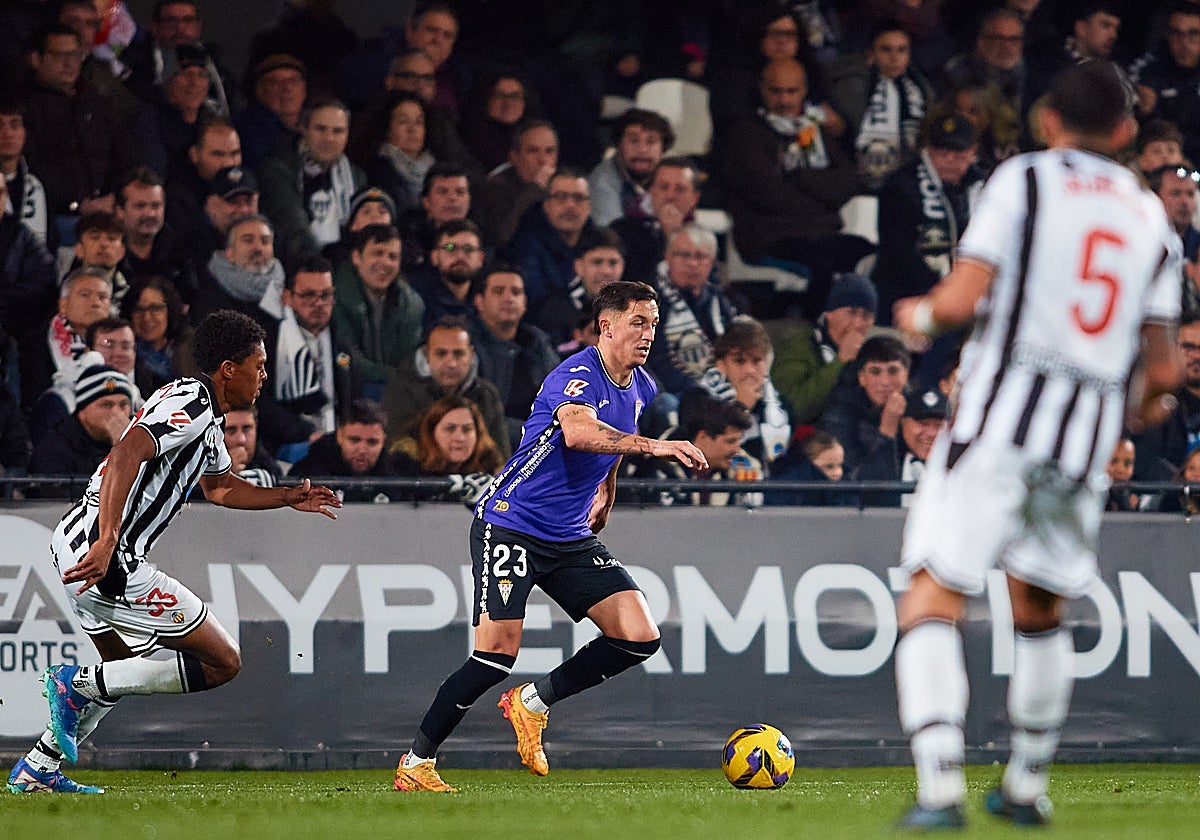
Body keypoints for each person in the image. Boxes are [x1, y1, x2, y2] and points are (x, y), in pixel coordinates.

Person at [889, 60, 1182, 829]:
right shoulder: (1152, 216)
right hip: (1081, 446)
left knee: (930, 593)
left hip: (997, 427)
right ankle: (1024, 784)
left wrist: (916, 315)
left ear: (1049, 121)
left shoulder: (1022, 181)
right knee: (1041, 608)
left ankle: (940, 789)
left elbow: (961, 299)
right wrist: (1138, 407)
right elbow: (1163, 369)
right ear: (1125, 132)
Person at [8, 310, 341, 795]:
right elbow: (127, 453)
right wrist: (107, 540)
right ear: (229, 369)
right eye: (259, 365)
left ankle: (38, 768)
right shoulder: (193, 400)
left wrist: (286, 496)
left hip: (77, 544)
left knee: (120, 673)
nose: (264, 376)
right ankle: (72, 683)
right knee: (222, 661)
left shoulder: (203, 418)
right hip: (108, 556)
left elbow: (222, 488)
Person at [393, 280, 707, 793]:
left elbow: (610, 443)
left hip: (568, 534)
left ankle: (532, 703)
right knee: (494, 657)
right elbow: (580, 433)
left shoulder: (641, 384)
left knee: (639, 634)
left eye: (653, 324)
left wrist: (607, 491)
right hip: (511, 522)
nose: (649, 333)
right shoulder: (578, 374)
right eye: (638, 323)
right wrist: (657, 447)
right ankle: (416, 762)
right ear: (606, 326)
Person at [722, 57, 872, 317]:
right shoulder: (746, 134)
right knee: (823, 265)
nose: (784, 100)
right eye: (776, 91)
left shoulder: (815, 131)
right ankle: (814, 335)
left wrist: (800, 176)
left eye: (791, 91)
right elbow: (767, 194)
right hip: (771, 237)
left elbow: (847, 182)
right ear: (762, 89)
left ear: (803, 91)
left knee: (866, 253)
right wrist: (824, 201)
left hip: (821, 235)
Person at [258, 98, 367, 272]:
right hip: (299, 269)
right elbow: (292, 228)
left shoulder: (356, 177)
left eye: (338, 131)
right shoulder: (279, 171)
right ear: (303, 128)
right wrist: (322, 268)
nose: (329, 138)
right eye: (321, 129)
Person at [380, 314, 508, 459]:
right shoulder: (401, 392)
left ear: (471, 354)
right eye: (441, 354)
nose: (451, 364)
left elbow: (500, 457)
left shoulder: (486, 395)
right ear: (427, 355)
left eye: (458, 354)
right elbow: (396, 451)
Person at [646, 225, 740, 401]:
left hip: (718, 389)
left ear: (711, 262)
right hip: (671, 392)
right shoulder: (649, 299)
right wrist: (699, 393)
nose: (692, 263)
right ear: (667, 257)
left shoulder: (721, 302)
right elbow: (655, 359)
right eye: (683, 255)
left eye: (700, 256)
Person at [468, 264, 559, 446]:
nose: (509, 298)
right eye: (498, 291)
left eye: (516, 292)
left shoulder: (537, 342)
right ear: (479, 302)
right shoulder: (465, 342)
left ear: (524, 302)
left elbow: (560, 395)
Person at [773, 272, 877, 426]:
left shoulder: (870, 354)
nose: (857, 323)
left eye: (866, 316)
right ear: (830, 313)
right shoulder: (798, 346)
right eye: (851, 312)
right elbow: (794, 408)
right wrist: (840, 361)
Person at [331, 223, 425, 389]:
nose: (385, 263)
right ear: (356, 257)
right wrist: (393, 375)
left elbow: (410, 361)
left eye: (393, 257)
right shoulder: (335, 297)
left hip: (399, 390)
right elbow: (346, 358)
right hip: (350, 387)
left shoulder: (412, 305)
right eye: (377, 253)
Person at [625, 393, 760, 507]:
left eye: (738, 441)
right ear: (703, 438)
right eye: (730, 441)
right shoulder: (659, 470)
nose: (737, 449)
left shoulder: (736, 469)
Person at [29, 363, 134, 490]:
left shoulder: (142, 436)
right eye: (106, 405)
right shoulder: (55, 446)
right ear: (82, 411)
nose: (117, 413)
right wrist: (122, 453)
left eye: (123, 405)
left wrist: (130, 449)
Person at [818, 334, 911, 478]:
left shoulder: (917, 411)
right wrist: (887, 430)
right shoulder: (838, 417)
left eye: (893, 371)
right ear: (861, 377)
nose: (885, 381)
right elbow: (859, 485)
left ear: (906, 375)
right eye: (875, 372)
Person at [609, 156, 703, 286]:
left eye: (680, 189)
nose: (670, 196)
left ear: (694, 198)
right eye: (664, 187)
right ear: (651, 191)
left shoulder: (703, 240)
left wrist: (674, 236)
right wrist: (668, 238)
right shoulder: (622, 232)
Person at [291, 398, 404, 503]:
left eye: (372, 442)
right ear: (339, 436)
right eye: (354, 440)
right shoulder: (307, 476)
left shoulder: (402, 478)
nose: (362, 450)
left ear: (383, 440)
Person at [1128, 4, 1200, 165]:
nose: (1184, 43)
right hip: (1160, 167)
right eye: (1177, 34)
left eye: (1193, 34)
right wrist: (1145, 112)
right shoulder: (1147, 70)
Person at [856, 386, 949, 507]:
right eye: (922, 424)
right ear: (903, 423)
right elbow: (873, 499)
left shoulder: (961, 463)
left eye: (939, 425)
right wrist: (887, 434)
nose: (931, 433)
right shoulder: (887, 457)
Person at [192, 214, 286, 325]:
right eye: (248, 240)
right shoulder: (209, 296)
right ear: (230, 253)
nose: (258, 248)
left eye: (265, 241)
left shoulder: (290, 288)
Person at [477, 120, 558, 248]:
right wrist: (535, 190)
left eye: (549, 151)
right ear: (514, 157)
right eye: (533, 151)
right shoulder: (495, 188)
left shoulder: (562, 185)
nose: (542, 160)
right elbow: (503, 237)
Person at [587, 108, 675, 226]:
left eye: (651, 141)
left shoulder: (668, 178)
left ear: (663, 149)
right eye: (634, 140)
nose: (642, 149)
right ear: (618, 145)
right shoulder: (602, 184)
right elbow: (611, 238)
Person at [120, 274, 196, 393]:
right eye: (139, 310)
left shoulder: (192, 346)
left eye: (155, 308)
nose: (146, 318)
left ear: (170, 311)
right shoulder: (121, 351)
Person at [409, 218, 486, 331]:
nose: (460, 256)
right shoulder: (416, 299)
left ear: (480, 258)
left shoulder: (489, 296)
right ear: (434, 257)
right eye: (450, 248)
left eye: (468, 249)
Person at [1148, 163, 1200, 318]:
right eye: (1175, 193)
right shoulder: (1144, 244)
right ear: (1154, 198)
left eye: (1190, 194)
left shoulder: (1197, 243)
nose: (1184, 202)